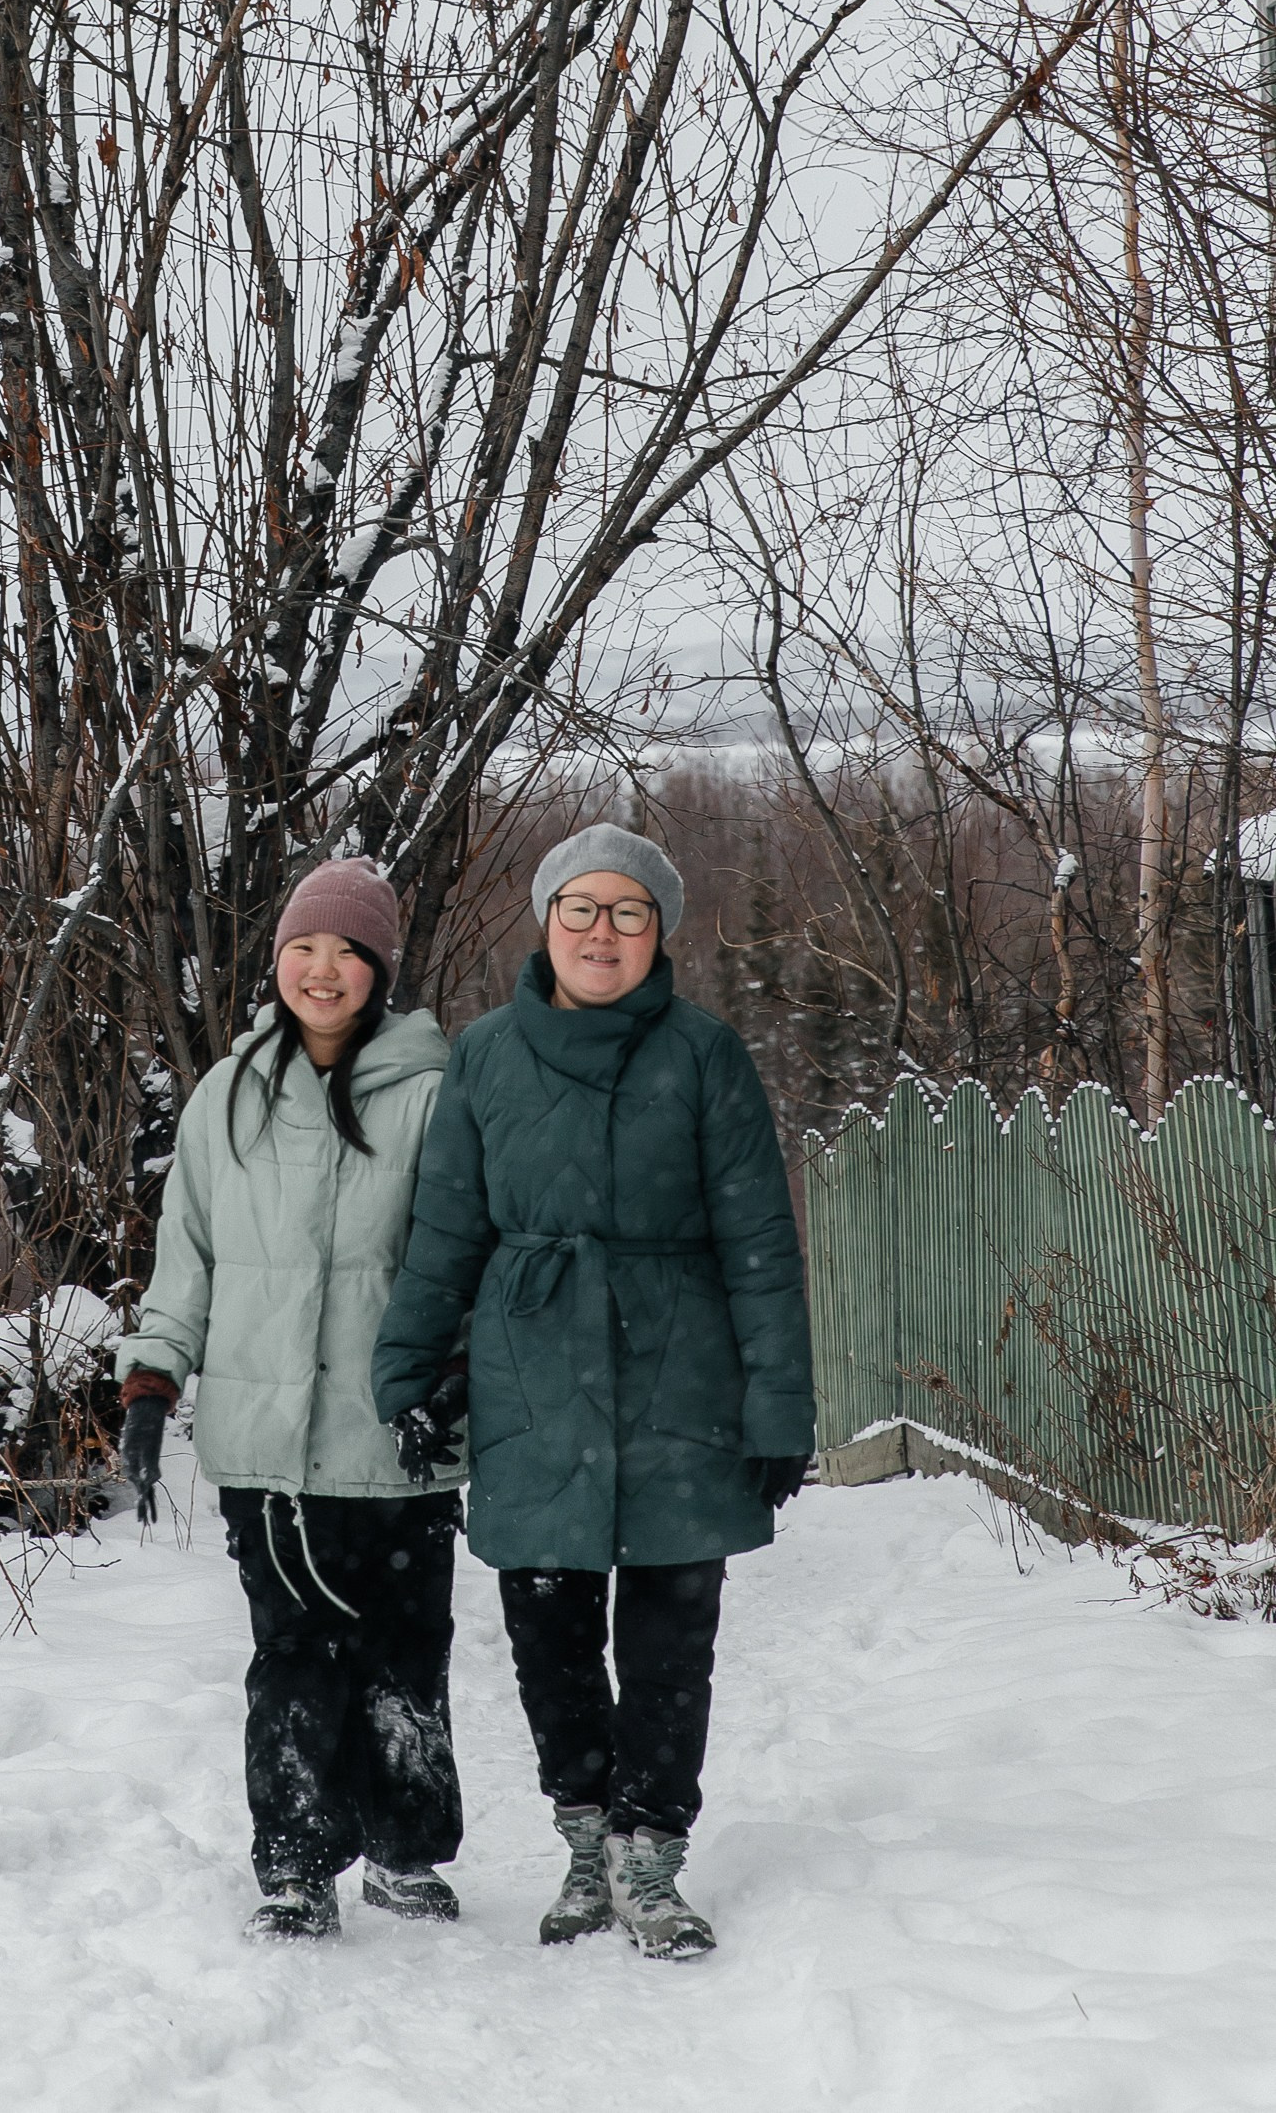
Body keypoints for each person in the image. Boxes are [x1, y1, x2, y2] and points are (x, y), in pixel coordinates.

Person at [373, 822, 813, 1964]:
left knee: (672, 1635)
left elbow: (758, 1240)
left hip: (681, 1374)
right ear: (545, 919)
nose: (600, 931)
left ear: (658, 928)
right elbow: (444, 1230)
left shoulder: (704, 1053)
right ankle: (584, 1839)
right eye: (580, 908)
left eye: (625, 910)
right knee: (549, 1631)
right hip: (531, 1375)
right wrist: (408, 1368)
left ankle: (647, 1856)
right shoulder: (481, 1054)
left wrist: (777, 1407)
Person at [115, 857, 467, 1944]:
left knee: (405, 1650)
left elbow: (459, 1258)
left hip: (393, 1432)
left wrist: (454, 1376)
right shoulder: (226, 1095)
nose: (322, 968)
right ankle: (295, 1862)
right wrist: (149, 1378)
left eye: (346, 951)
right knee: (291, 1656)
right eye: (303, 948)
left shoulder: (435, 1091)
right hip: (263, 1446)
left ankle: (405, 1848)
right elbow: (188, 1259)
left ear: (378, 969)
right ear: (278, 961)